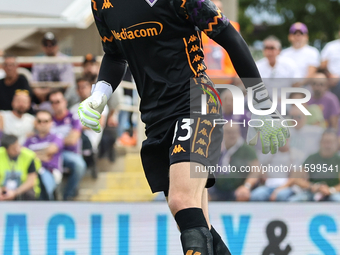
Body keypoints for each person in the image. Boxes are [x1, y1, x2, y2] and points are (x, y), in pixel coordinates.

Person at [78, 1, 289, 254]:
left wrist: (261, 101)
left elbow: (230, 37)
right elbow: (113, 54)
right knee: (197, 224)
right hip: (154, 117)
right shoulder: (100, 3)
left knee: (181, 200)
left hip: (195, 100)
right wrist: (99, 93)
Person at [49, 90, 86, 200]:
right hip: (52, 153)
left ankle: (68, 195)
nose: (55, 105)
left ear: (64, 102)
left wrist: (56, 142)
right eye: (52, 102)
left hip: (68, 153)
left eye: (58, 101)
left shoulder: (73, 117)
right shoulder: (47, 119)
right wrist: (61, 140)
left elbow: (73, 139)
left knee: (79, 165)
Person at [208, 124, 260, 201]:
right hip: (218, 187)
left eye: (234, 132)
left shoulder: (247, 150)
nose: (232, 135)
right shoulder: (217, 148)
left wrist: (246, 186)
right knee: (203, 194)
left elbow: (255, 171)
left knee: (243, 195)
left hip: (238, 188)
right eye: (228, 132)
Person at [286, 129, 340, 202]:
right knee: (293, 200)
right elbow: (297, 179)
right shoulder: (311, 158)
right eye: (325, 142)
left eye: (330, 142)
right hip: (312, 192)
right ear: (320, 142)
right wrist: (312, 186)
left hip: (333, 193)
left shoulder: (338, 160)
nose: (328, 145)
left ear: (336, 143)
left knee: (337, 199)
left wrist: (330, 190)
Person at [24, 110, 63, 200]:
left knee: (42, 181)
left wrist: (32, 155)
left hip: (49, 171)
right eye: (39, 121)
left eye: (46, 121)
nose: (42, 124)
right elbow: (23, 155)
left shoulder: (57, 137)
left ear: (51, 123)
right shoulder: (29, 139)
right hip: (30, 171)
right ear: (35, 123)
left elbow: (51, 150)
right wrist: (42, 155)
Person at [31, 32, 78, 106]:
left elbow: (67, 84)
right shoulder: (38, 61)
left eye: (52, 44)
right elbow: (34, 83)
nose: (49, 47)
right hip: (41, 98)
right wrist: (41, 94)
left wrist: (47, 91)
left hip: (61, 97)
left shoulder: (65, 60)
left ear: (57, 45)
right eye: (46, 45)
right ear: (42, 46)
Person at [0, 134, 39, 201]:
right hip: (3, 188)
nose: (17, 150)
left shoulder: (29, 156)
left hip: (22, 188)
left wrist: (15, 192)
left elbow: (31, 180)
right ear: (6, 149)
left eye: (18, 146)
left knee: (29, 194)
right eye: (13, 148)